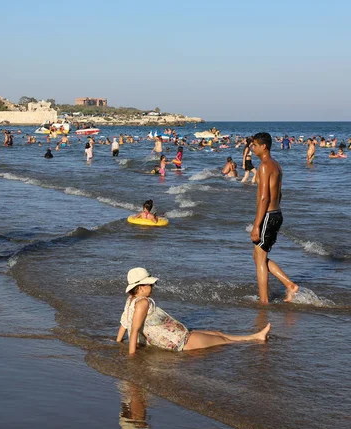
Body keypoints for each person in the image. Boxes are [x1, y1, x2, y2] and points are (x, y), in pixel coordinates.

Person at [116, 267, 271, 355]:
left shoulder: (131, 300)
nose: (153, 287)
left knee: (218, 333)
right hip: (180, 342)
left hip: (181, 336)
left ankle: (255, 336)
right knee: (223, 341)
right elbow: (134, 329)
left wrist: (117, 342)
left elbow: (125, 323)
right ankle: (255, 338)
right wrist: (132, 356)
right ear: (141, 287)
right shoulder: (143, 303)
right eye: (150, 284)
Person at [250, 132, 299, 304]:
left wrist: (257, 225)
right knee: (258, 257)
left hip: (268, 215)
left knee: (260, 258)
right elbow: (280, 194)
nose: (252, 147)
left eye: (254, 145)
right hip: (276, 214)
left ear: (264, 146)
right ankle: (289, 285)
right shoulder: (277, 165)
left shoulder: (264, 166)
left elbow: (264, 197)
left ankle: (264, 301)